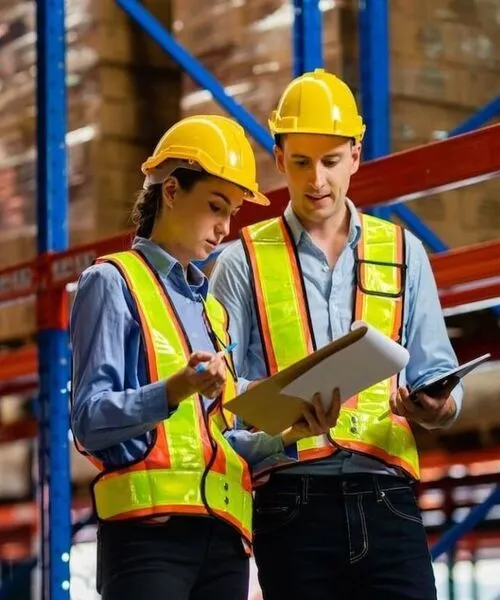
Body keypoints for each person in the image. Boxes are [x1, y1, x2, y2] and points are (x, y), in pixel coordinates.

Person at [209, 69, 463, 600]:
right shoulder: (241, 263)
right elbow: (220, 409)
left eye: (329, 161)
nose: (316, 180)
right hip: (290, 501)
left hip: (387, 493)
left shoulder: (402, 252)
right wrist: (279, 433)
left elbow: (439, 376)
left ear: (355, 155)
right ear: (278, 159)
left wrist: (436, 405)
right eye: (300, 162)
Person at [70, 114, 340, 600]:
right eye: (216, 207)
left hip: (225, 539)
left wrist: (290, 433)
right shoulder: (112, 283)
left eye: (233, 213)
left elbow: (217, 437)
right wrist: (173, 390)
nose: (225, 228)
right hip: (150, 539)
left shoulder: (212, 310)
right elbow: (89, 420)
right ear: (171, 191)